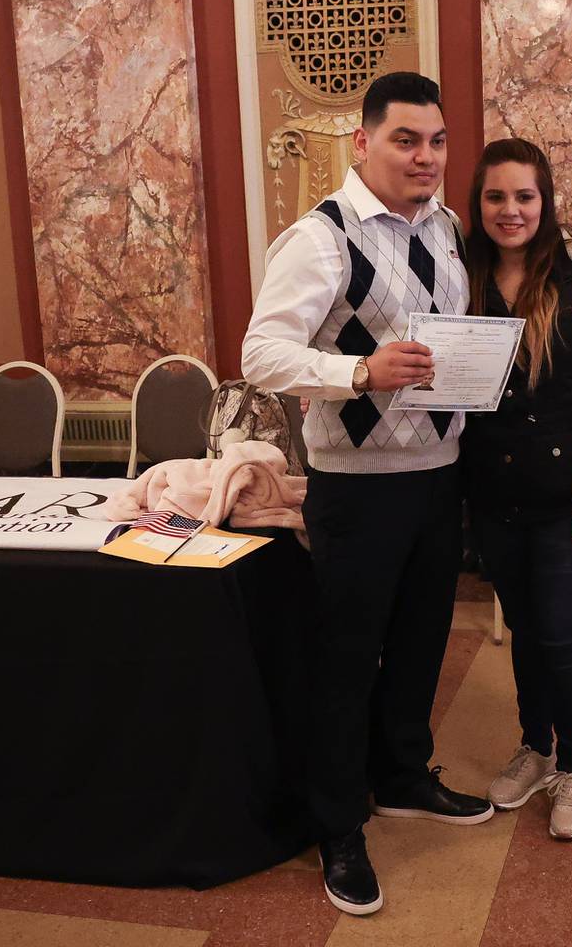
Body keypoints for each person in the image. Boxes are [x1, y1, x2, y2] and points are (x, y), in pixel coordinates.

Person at [240, 71, 491, 918]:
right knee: (347, 661)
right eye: (405, 140)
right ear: (363, 142)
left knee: (422, 642)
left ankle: (402, 777)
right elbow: (261, 354)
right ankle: (339, 824)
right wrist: (357, 370)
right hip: (356, 491)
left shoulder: (448, 225)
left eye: (437, 141)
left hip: (437, 473)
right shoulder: (321, 238)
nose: (425, 156)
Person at [460, 138, 572, 840]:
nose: (511, 210)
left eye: (524, 196)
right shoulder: (461, 277)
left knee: (562, 636)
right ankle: (536, 748)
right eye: (496, 196)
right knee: (528, 633)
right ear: (479, 204)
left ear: (546, 200)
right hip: (497, 500)